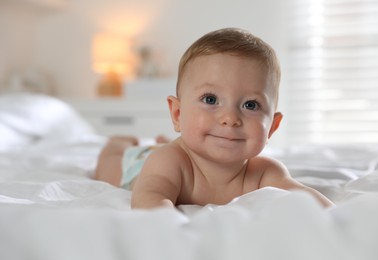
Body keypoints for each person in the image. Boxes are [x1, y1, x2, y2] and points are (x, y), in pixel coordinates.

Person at [95, 28, 334, 209]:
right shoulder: (168, 161)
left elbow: (302, 195)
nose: (230, 118)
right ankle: (118, 142)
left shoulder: (264, 173)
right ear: (178, 114)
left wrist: (336, 216)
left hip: (171, 148)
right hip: (140, 165)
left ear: (272, 127)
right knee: (109, 167)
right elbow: (150, 199)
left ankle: (160, 139)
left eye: (250, 105)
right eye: (210, 100)